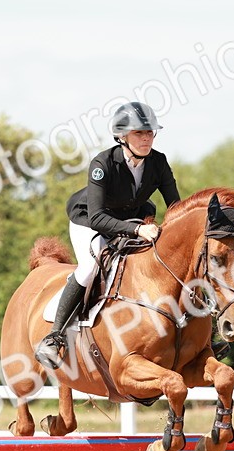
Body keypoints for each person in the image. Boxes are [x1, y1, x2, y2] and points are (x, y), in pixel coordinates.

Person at [34, 101, 181, 369]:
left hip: (130, 219)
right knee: (90, 267)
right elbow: (98, 217)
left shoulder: (158, 162)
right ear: (122, 136)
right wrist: (138, 229)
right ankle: (55, 336)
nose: (147, 138)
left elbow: (175, 207)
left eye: (150, 133)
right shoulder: (102, 163)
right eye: (139, 133)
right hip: (89, 220)